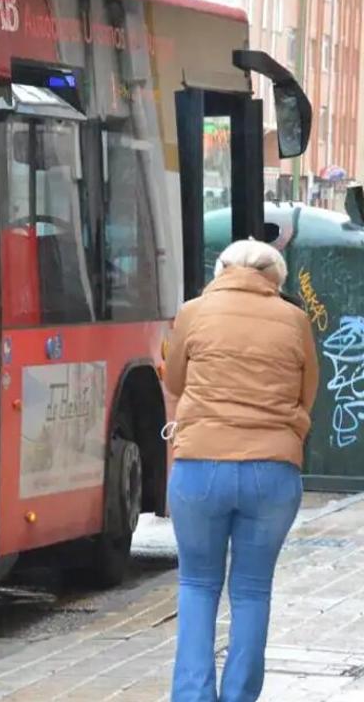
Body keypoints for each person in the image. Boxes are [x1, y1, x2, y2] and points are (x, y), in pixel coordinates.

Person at [163, 239, 319, 702]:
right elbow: (307, 393)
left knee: (196, 583)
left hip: (199, 469)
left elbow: (174, 380)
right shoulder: (296, 320)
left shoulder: (193, 311)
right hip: (271, 473)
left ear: (222, 270)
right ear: (277, 278)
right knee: (252, 590)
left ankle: (192, 696)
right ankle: (239, 696)